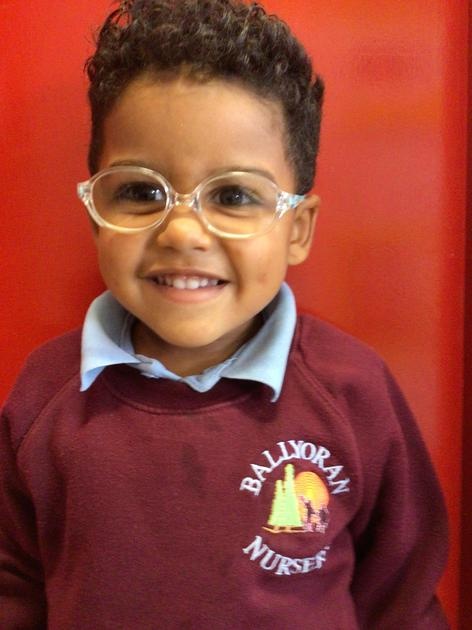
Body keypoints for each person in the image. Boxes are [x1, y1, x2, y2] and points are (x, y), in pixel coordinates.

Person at [0, 0, 449, 628]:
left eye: (234, 195)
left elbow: (402, 599)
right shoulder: (43, 396)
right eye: (140, 191)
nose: (182, 232)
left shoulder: (355, 392)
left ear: (298, 229)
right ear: (96, 216)